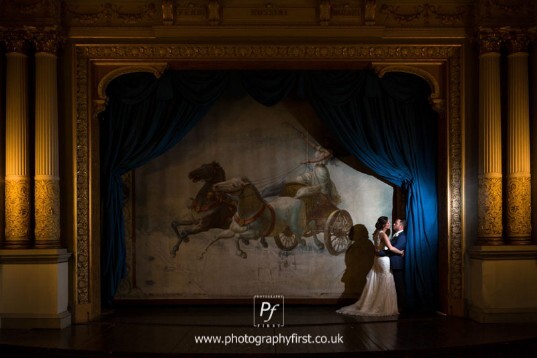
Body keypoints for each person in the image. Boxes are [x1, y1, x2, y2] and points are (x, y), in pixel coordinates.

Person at [337, 216, 404, 316]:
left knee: (377, 280)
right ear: (384, 225)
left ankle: (374, 303)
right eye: (388, 223)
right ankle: (383, 306)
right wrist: (400, 252)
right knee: (385, 280)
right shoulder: (383, 235)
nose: (390, 224)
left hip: (377, 260)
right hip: (383, 260)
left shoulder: (376, 234)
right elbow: (391, 248)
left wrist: (378, 251)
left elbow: (377, 249)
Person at [379, 218, 407, 312]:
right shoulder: (395, 235)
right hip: (392, 264)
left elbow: (393, 250)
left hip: (397, 264)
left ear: (401, 226)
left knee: (399, 286)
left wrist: (380, 253)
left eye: (396, 223)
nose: (393, 224)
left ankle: (401, 307)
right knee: (395, 286)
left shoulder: (402, 236)